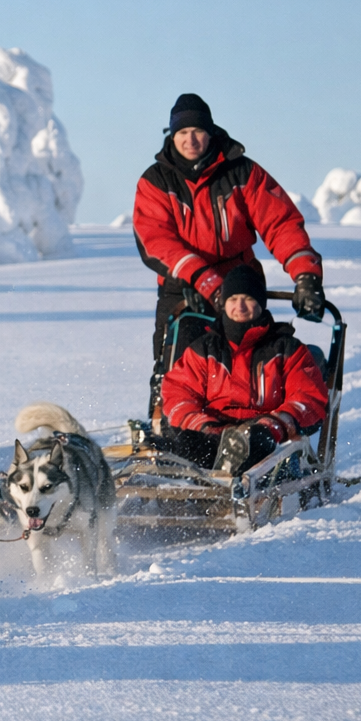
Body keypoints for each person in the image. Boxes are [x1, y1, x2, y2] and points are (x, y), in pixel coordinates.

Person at [133, 93, 325, 418]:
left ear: (210, 132)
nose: (190, 139)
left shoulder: (241, 172)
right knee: (179, 362)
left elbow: (280, 222)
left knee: (249, 354)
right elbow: (154, 239)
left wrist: (305, 275)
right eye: (182, 133)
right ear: (171, 136)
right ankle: (175, 431)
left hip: (240, 283)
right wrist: (198, 276)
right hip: (182, 287)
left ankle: (254, 427)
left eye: (197, 131)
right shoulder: (156, 181)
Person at [160, 264, 329, 474]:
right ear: (223, 303)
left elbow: (307, 398)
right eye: (232, 299)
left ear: (261, 303)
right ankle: (177, 485)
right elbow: (178, 393)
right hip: (213, 433)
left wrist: (272, 426)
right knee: (181, 441)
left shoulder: (287, 349)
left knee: (257, 449)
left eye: (248, 299)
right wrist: (204, 426)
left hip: (266, 438)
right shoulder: (204, 349)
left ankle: (227, 483)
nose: (239, 307)